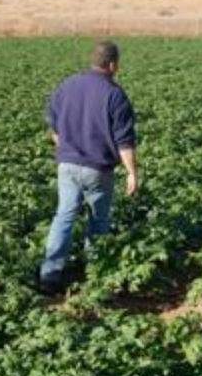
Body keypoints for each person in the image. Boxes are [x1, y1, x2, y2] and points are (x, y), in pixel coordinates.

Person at [39, 40, 139, 295]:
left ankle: (50, 274)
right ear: (113, 64)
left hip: (67, 165)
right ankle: (95, 273)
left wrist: (66, 148)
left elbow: (54, 127)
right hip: (98, 169)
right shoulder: (115, 95)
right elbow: (124, 141)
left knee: (64, 215)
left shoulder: (67, 86)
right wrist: (131, 173)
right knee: (99, 220)